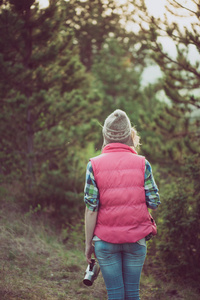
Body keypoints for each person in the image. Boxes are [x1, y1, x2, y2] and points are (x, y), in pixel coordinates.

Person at [84, 109, 160, 300]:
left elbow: (91, 209)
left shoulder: (93, 164)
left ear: (105, 136)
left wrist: (88, 244)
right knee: (132, 294)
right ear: (129, 135)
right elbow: (154, 202)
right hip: (136, 239)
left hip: (105, 241)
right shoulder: (143, 163)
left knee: (116, 295)